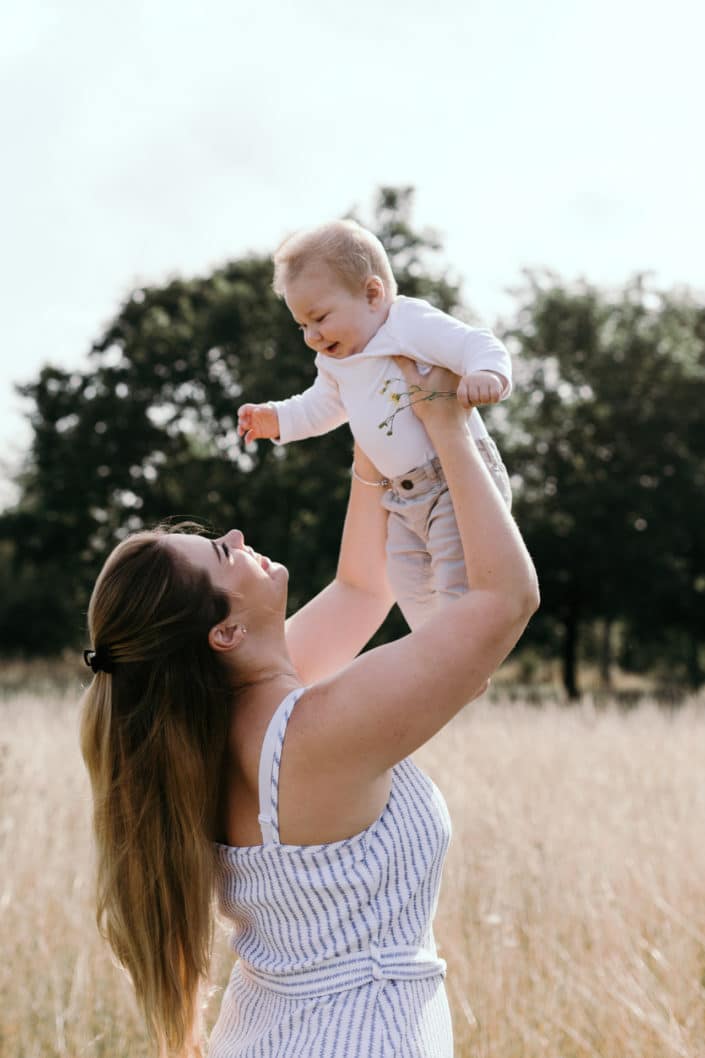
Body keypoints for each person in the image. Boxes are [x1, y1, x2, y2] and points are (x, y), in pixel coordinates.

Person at [80, 360, 539, 1058]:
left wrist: (372, 444)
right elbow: (503, 601)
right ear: (224, 633)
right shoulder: (312, 735)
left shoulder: (223, 723)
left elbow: (361, 587)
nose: (234, 536)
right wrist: (447, 426)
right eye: (217, 552)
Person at [237, 219, 514, 630]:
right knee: (407, 579)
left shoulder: (406, 323)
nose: (312, 335)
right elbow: (319, 408)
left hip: (453, 481)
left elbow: (476, 342)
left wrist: (487, 374)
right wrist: (277, 419)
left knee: (456, 573)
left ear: (372, 294)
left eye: (320, 317)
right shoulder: (334, 362)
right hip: (403, 497)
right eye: (302, 326)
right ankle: (438, 647)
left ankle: (465, 647)